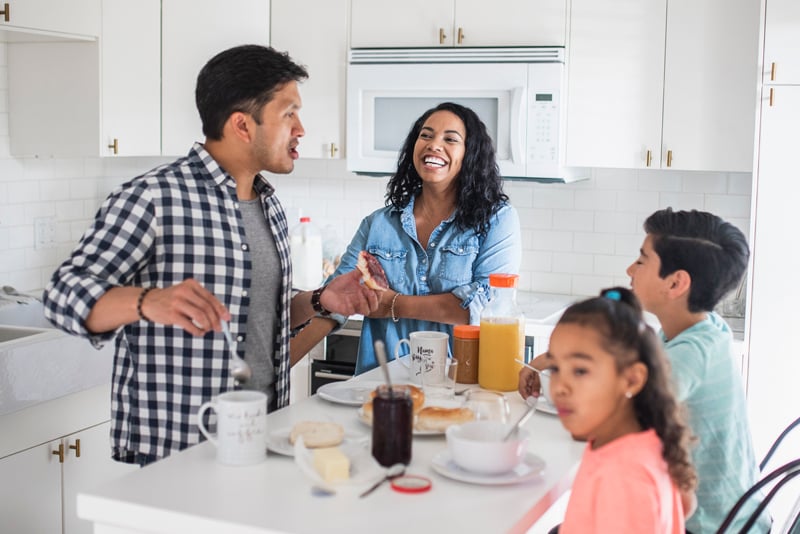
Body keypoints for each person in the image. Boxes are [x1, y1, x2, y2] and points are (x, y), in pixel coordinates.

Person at [41, 44, 379, 466]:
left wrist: (320, 301)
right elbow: (61, 296)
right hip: (175, 453)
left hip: (259, 441)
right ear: (242, 125)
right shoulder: (153, 198)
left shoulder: (268, 205)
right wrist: (149, 302)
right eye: (289, 113)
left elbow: (255, 320)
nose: (302, 129)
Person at [520, 208, 767, 533]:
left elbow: (606, 418)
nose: (630, 269)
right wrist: (552, 359)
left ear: (676, 282)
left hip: (714, 527)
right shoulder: (702, 329)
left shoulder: (692, 354)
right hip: (711, 511)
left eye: (641, 259)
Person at [291, 102, 521, 374]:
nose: (434, 144)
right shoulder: (378, 224)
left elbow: (488, 306)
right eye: (426, 135)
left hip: (461, 386)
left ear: (470, 154)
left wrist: (393, 304)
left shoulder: (496, 220)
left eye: (450, 139)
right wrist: (272, 374)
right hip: (382, 388)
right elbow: (338, 302)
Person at [547, 287, 697, 533]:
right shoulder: (635, 440)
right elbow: (685, 504)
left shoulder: (623, 477)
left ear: (631, 380)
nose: (559, 388)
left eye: (580, 371)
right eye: (554, 368)